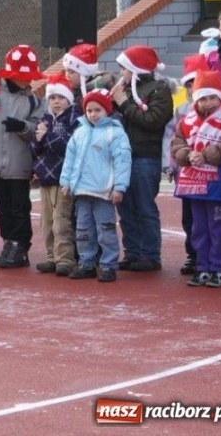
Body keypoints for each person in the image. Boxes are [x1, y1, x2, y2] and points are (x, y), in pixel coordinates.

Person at [0, 44, 44, 268]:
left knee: (19, 207)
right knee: (3, 207)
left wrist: (22, 126)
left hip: (19, 164)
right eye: (23, 77)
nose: (28, 82)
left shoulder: (33, 100)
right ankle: (9, 242)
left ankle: (20, 245)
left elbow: (38, 129)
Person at [109, 45, 174, 272]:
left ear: (135, 69)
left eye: (124, 68)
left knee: (144, 207)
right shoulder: (126, 89)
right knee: (125, 208)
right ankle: (133, 251)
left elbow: (153, 121)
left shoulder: (159, 90)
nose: (121, 74)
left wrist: (124, 103)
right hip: (123, 158)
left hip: (146, 156)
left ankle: (150, 255)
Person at [60, 89, 132, 282]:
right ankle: (86, 262)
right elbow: (70, 160)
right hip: (82, 191)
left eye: (97, 110)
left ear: (107, 110)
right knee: (83, 230)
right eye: (89, 110)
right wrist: (65, 182)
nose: (93, 114)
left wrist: (119, 187)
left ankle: (108, 265)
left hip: (103, 192)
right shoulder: (80, 132)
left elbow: (123, 161)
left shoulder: (115, 133)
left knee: (105, 229)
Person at [171, 70, 221, 288]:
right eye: (203, 98)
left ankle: (217, 268)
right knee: (198, 226)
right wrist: (188, 155)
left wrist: (205, 155)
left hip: (217, 181)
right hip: (193, 181)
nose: (207, 103)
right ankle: (202, 267)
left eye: (212, 97)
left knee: (217, 225)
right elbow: (177, 143)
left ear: (220, 97)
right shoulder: (186, 120)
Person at [164, 55, 209, 275]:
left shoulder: (219, 108)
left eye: (196, 82)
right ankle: (193, 255)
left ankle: (211, 256)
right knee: (189, 217)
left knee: (211, 217)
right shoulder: (182, 109)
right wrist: (172, 165)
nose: (193, 88)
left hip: (211, 174)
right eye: (189, 84)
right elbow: (174, 138)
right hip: (187, 174)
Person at [31, 73, 79, 276]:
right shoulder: (45, 119)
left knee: (62, 221)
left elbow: (70, 146)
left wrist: (47, 136)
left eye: (60, 97)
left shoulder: (75, 119)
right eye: (52, 98)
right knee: (47, 221)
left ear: (69, 99)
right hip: (45, 178)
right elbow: (35, 147)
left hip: (64, 178)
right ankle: (51, 257)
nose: (56, 102)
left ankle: (65, 259)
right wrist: (38, 139)